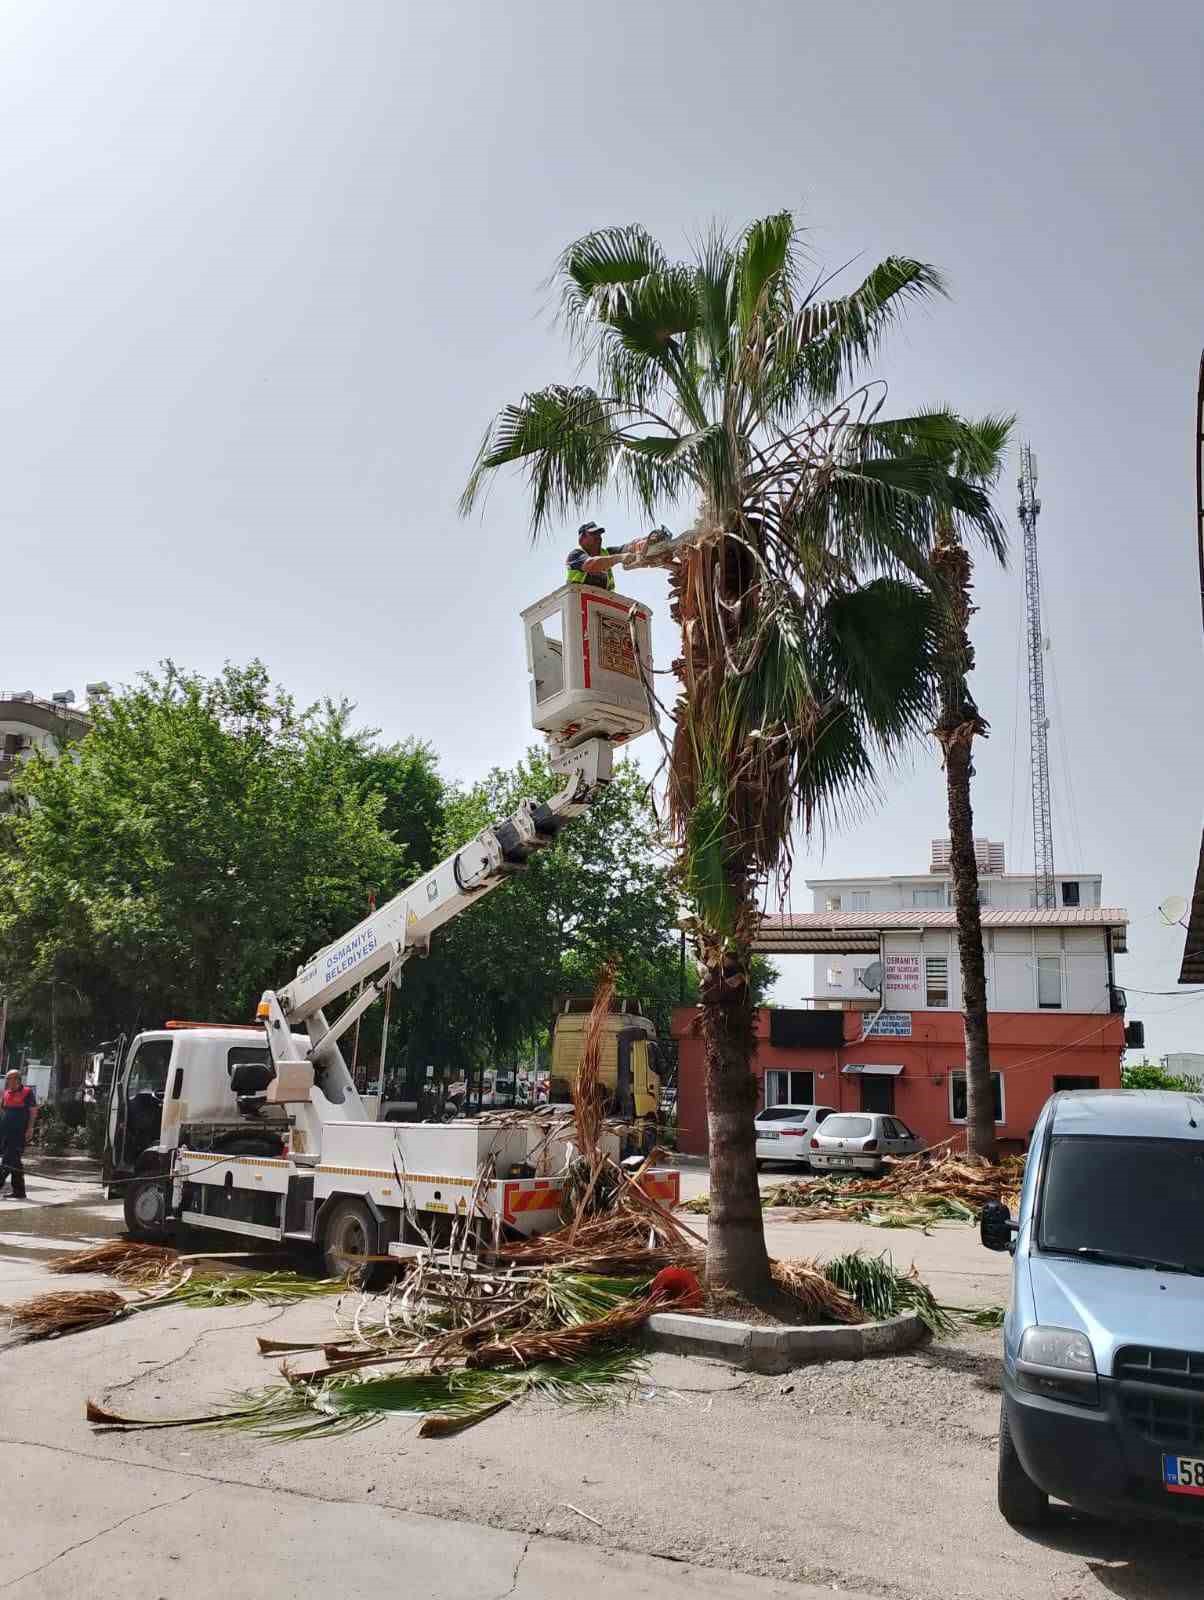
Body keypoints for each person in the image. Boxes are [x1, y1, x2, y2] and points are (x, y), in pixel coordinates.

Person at [0, 1069, 38, 1200]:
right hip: (5, 1133)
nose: (7, 1082)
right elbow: (3, 1112)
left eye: (9, 1079)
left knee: (8, 1160)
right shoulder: (5, 1094)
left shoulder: (27, 1092)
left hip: (18, 1133)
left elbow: (33, 1111)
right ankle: (19, 1191)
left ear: (17, 1079)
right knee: (15, 1162)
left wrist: (30, 1129)